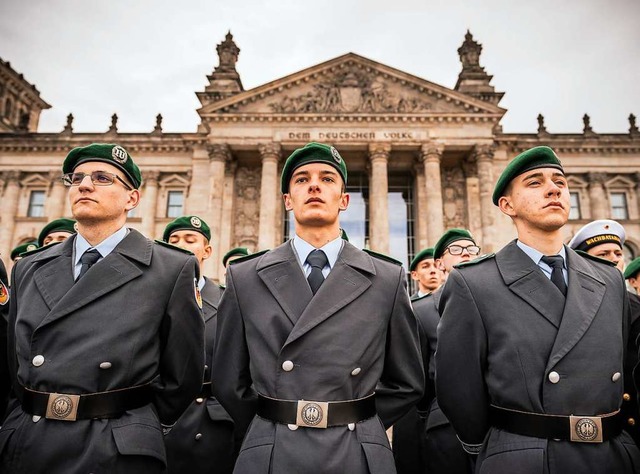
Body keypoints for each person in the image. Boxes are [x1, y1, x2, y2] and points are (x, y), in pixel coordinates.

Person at [212, 142, 424, 474]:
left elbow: (408, 382)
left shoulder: (387, 277)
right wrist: (273, 420)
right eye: (301, 179)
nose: (314, 185)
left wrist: (359, 421)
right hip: (273, 448)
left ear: (344, 200)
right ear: (287, 200)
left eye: (327, 178)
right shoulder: (244, 277)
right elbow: (228, 379)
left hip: (355, 448)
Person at [0, 143, 205, 473]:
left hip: (114, 448)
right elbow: (13, 363)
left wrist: (137, 426)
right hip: (29, 441)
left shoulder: (171, 269)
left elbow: (182, 375)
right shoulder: (29, 267)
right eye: (77, 177)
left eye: (102, 178)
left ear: (132, 198)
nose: (84, 184)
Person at [436, 145, 640, 473]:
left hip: (611, 455)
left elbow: (628, 369)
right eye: (535, 182)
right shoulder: (474, 282)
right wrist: (500, 448)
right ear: (507, 204)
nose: (553, 188)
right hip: (525, 457)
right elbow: (458, 388)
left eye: (560, 181)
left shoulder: (609, 279)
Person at [162, 215, 236, 474]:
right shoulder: (150, 297)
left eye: (190, 239)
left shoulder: (228, 299)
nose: (181, 244)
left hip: (212, 424)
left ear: (207, 251)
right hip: (163, 422)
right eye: (173, 240)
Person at [403, 229, 478, 474]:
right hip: (445, 424)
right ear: (441, 262)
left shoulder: (501, 302)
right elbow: (418, 377)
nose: (465, 255)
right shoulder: (420, 310)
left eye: (471, 250)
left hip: (500, 426)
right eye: (456, 250)